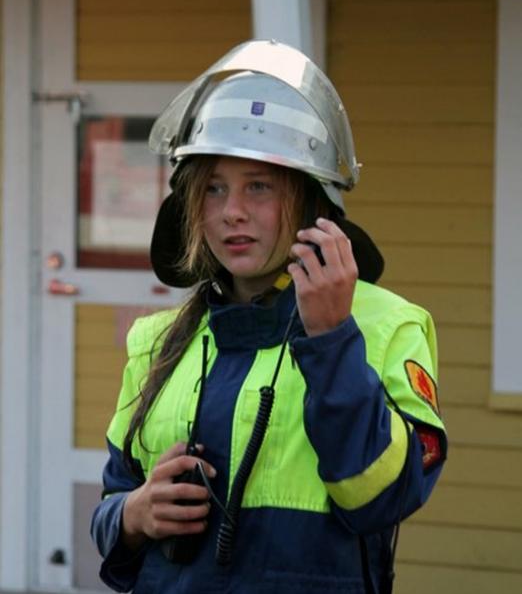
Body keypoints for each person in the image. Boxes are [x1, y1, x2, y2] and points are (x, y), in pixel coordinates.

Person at [91, 40, 447, 594]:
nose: (232, 210)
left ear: (312, 203)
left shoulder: (384, 327)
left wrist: (331, 337)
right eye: (213, 188)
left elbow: (382, 498)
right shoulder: (157, 341)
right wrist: (133, 515)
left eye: (259, 186)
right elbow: (111, 506)